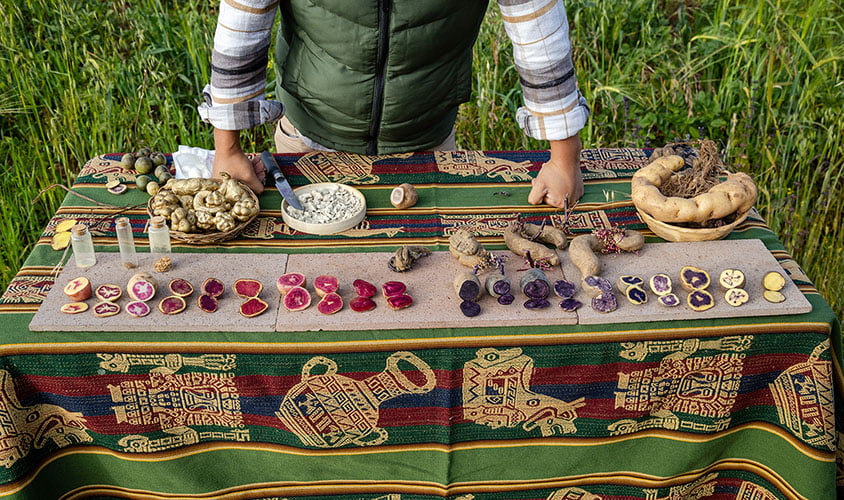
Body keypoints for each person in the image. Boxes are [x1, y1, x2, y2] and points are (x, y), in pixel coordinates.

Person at [199, 0, 589, 208]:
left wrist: (563, 160)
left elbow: (538, 33)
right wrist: (228, 148)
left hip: (427, 143)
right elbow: (242, 23)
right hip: (306, 139)